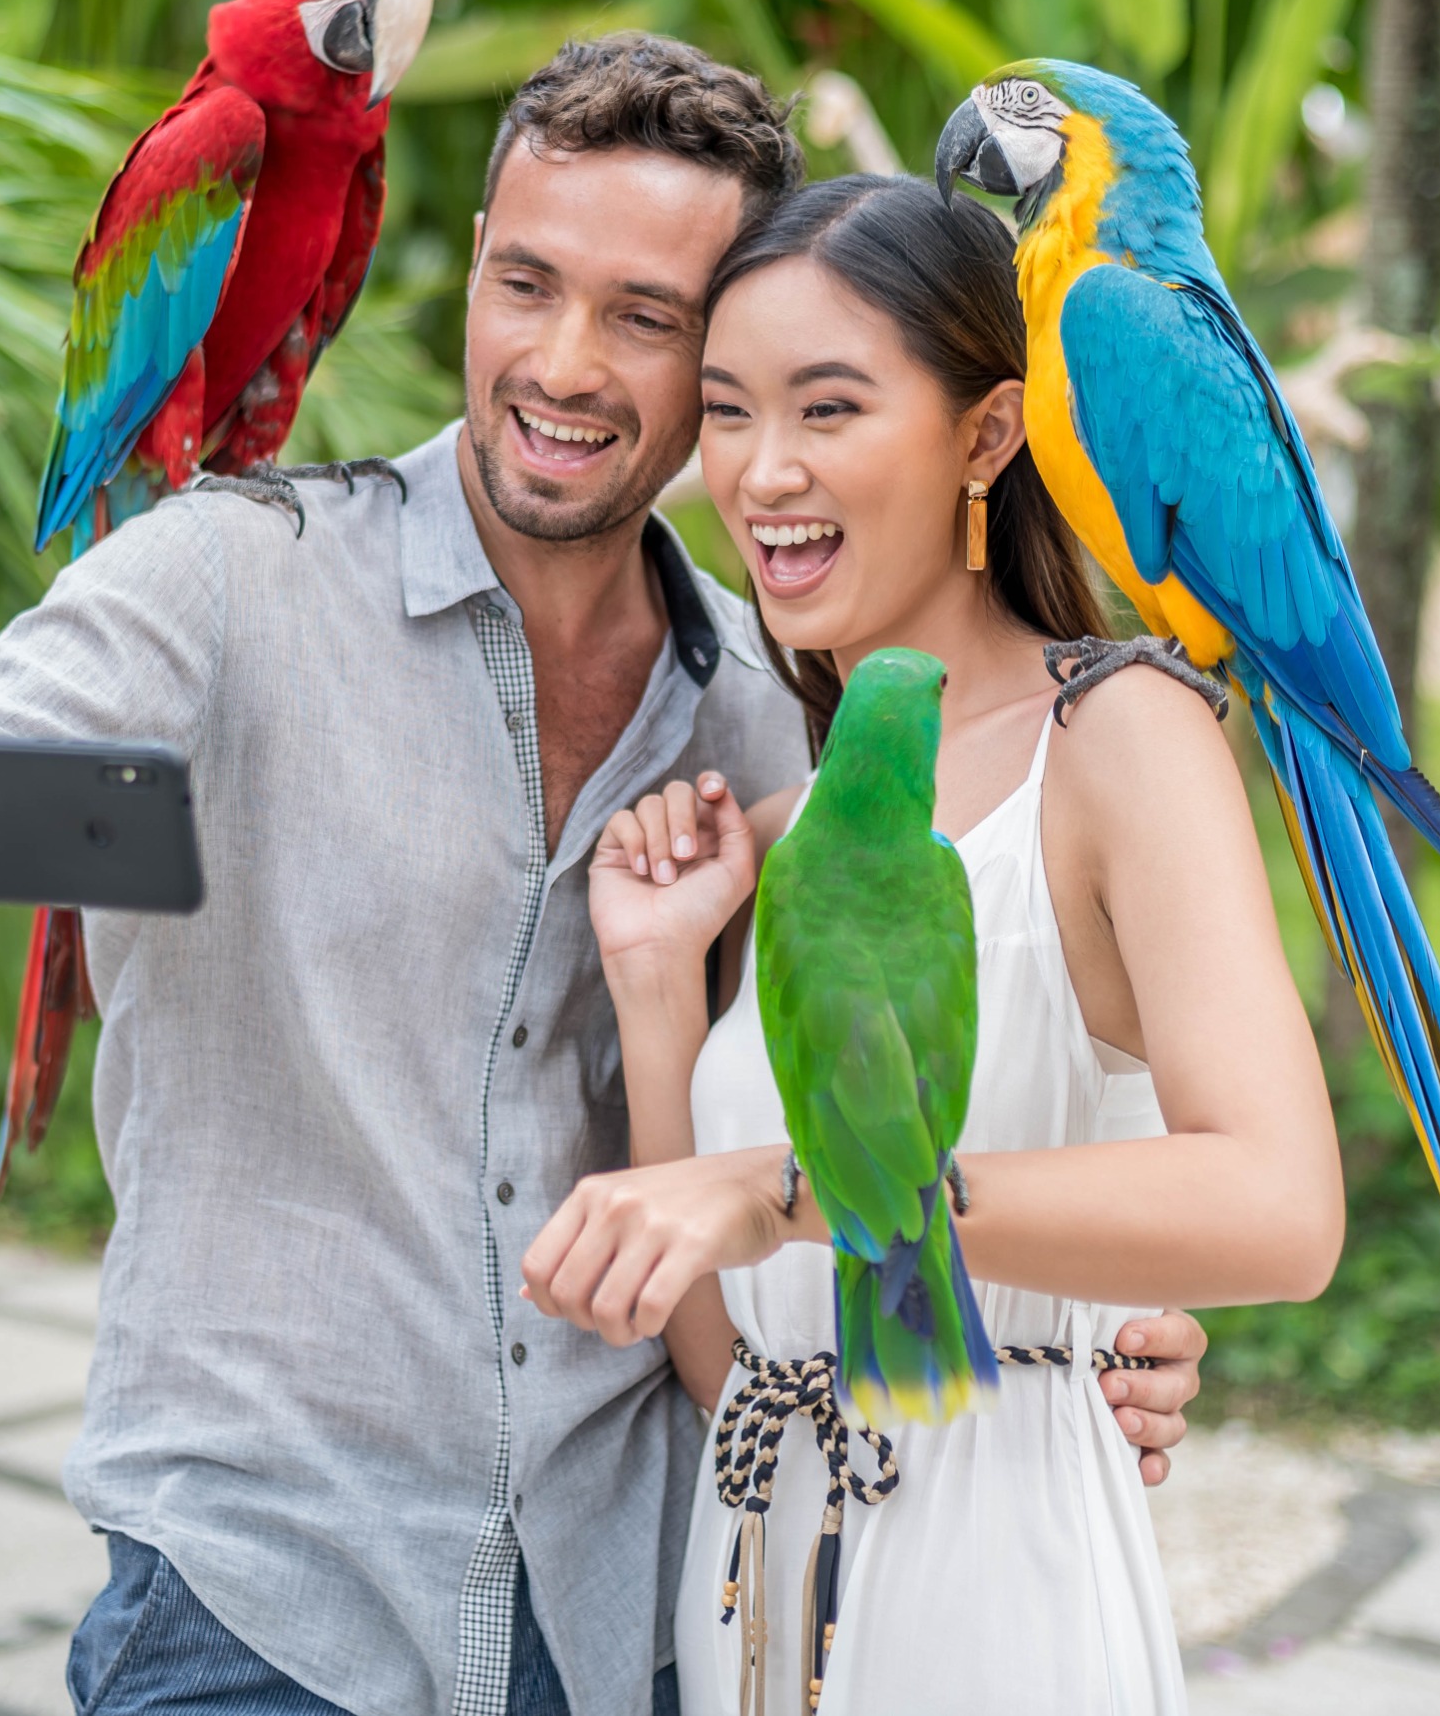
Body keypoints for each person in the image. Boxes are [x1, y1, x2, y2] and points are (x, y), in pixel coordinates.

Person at [0, 36, 1207, 1716]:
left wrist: (1093, 1340)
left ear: (727, 358)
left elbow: (849, 1126)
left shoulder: (767, 730)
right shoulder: (234, 591)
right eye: (524, 282)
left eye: (646, 318)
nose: (562, 363)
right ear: (470, 268)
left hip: (626, 1624)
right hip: (261, 1621)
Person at [518, 176, 1345, 1714]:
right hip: (756, 1615)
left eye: (830, 409)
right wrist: (652, 979)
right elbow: (733, 1365)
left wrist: (778, 1192)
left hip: (995, 1608)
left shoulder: (1117, 739)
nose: (765, 474)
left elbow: (1282, 1206)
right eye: (729, 413)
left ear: (986, 433)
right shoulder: (796, 821)